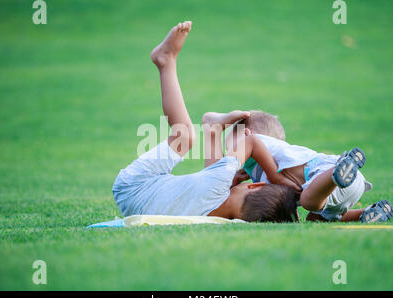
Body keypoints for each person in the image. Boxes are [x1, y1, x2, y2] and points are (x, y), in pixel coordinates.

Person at [112, 21, 299, 223]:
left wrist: (276, 178)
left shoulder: (220, 182)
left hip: (135, 184)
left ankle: (165, 61)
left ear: (255, 185)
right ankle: (212, 129)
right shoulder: (213, 215)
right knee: (214, 177)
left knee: (184, 137)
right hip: (131, 206)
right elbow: (211, 184)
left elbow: (251, 142)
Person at [231, 116, 393, 223]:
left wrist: (275, 178)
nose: (230, 154)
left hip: (325, 170)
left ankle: (339, 170)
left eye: (232, 147)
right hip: (345, 184)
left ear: (247, 133)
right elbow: (283, 200)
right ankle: (367, 213)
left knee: (309, 201)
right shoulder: (255, 170)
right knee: (314, 218)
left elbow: (275, 177)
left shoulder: (255, 141)